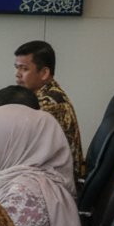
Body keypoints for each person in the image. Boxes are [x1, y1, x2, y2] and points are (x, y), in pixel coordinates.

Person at [14, 40, 84, 182]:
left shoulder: (50, 104)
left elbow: (22, 149)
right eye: (17, 68)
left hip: (55, 183)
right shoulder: (46, 94)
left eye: (24, 69)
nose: (17, 74)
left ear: (44, 72)